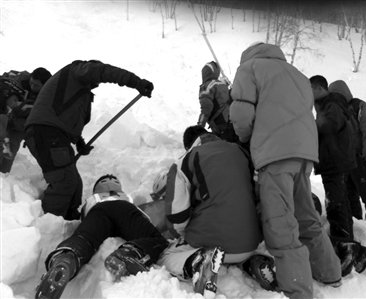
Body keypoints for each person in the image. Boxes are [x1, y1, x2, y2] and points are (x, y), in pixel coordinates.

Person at [229, 42, 341, 299]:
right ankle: (330, 271)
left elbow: (241, 113)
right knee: (306, 216)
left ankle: (298, 290)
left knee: (280, 223)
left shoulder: (249, 68)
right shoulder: (298, 75)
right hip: (303, 154)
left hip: (275, 154)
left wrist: (245, 138)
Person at [24, 60, 154, 220]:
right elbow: (104, 71)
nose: (97, 82)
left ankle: (69, 220)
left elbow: (69, 119)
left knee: (74, 182)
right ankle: (48, 227)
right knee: (64, 182)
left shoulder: (77, 90)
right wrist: (136, 82)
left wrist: (79, 142)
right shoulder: (78, 70)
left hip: (51, 134)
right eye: (96, 79)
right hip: (45, 133)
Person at [157, 125, 276, 298]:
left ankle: (198, 262)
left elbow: (177, 217)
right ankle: (252, 262)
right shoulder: (241, 152)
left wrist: (185, 236)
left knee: (166, 256)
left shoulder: (185, 160)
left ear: (189, 145)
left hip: (212, 240)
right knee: (232, 251)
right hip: (250, 242)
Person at [35, 174, 170, 299]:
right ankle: (128, 253)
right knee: (156, 239)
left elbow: (84, 221)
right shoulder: (125, 197)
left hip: (98, 211)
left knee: (84, 239)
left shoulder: (91, 200)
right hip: (125, 210)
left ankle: (66, 259)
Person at [309, 75, 366, 275]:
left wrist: (309, 125)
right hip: (337, 161)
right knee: (343, 202)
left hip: (334, 162)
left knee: (335, 203)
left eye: (310, 90)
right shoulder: (331, 103)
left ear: (318, 88)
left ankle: (343, 246)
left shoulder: (332, 102)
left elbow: (331, 123)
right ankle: (355, 247)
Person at [329, 80, 366, 224]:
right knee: (349, 194)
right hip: (345, 162)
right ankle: (356, 221)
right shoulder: (336, 111)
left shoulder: (360, 106)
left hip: (361, 158)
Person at [0, 67, 52, 173]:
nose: (32, 86)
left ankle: (3, 174)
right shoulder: (20, 79)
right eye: (31, 82)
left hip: (24, 125)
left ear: (45, 85)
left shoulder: (49, 95)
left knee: (11, 147)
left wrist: (20, 106)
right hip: (6, 117)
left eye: (36, 85)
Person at [197, 61, 238, 143]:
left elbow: (206, 108)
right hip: (232, 122)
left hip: (220, 126)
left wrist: (199, 127)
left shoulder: (206, 86)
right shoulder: (222, 85)